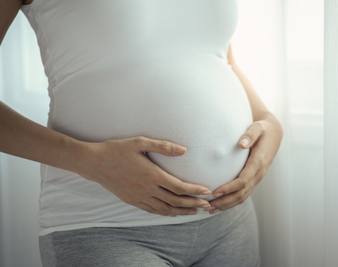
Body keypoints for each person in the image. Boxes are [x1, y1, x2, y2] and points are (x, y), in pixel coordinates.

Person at [0, 0, 283, 266]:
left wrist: (268, 122)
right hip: (106, 227)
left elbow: (215, 54)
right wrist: (91, 160)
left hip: (228, 222)